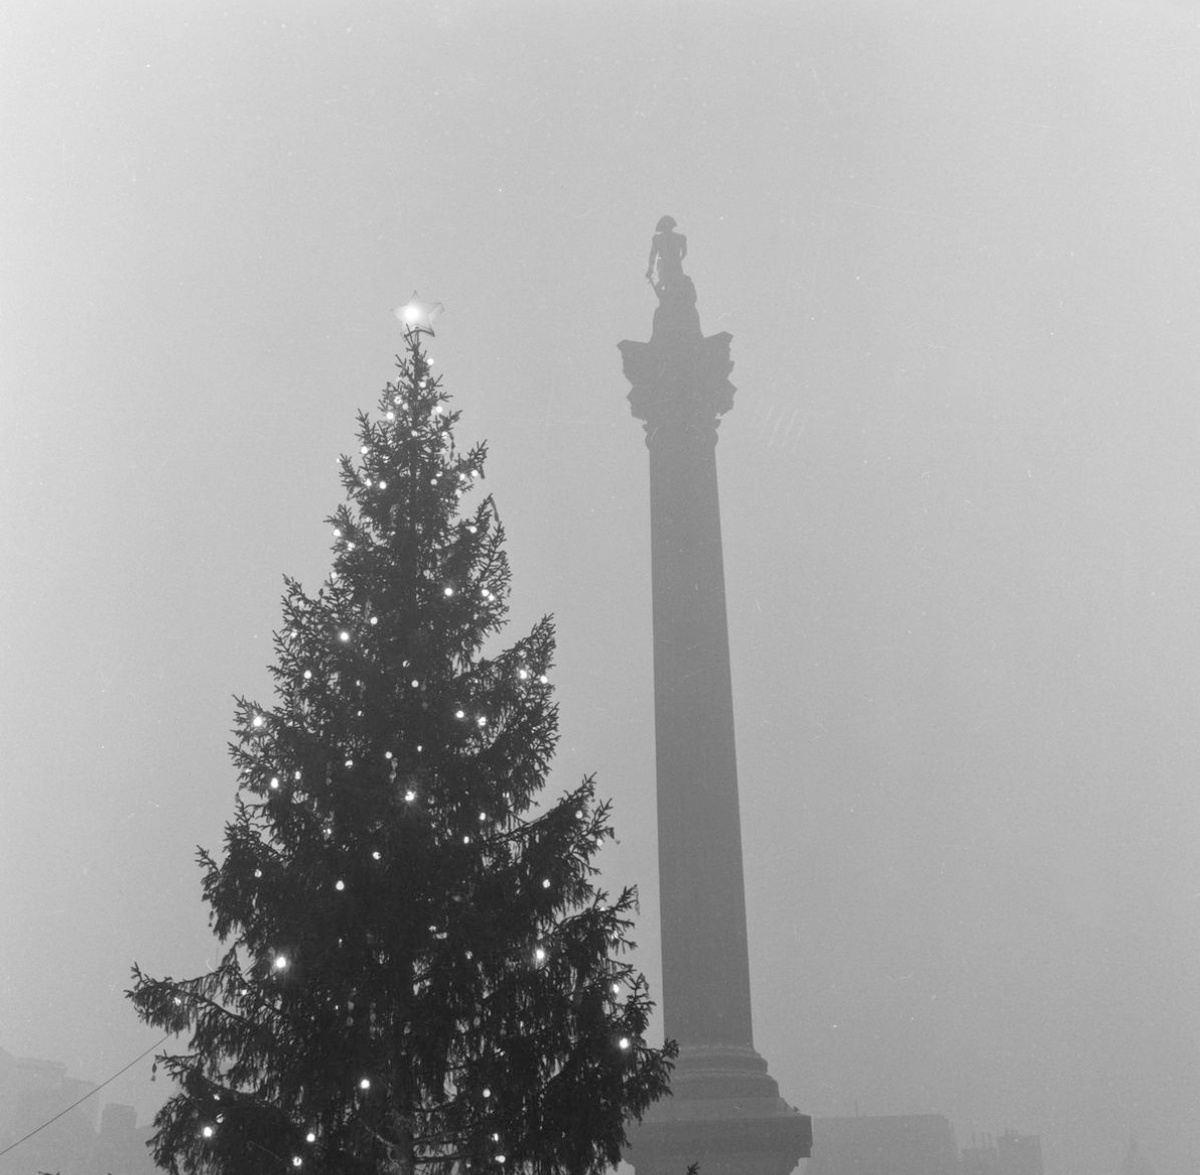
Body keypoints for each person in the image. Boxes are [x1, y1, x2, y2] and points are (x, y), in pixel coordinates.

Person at [646, 215, 687, 293]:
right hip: (674, 267)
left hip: (666, 268)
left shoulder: (658, 239)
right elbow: (684, 253)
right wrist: (678, 260)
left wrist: (650, 270)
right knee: (676, 286)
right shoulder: (679, 238)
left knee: (664, 285)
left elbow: (652, 256)